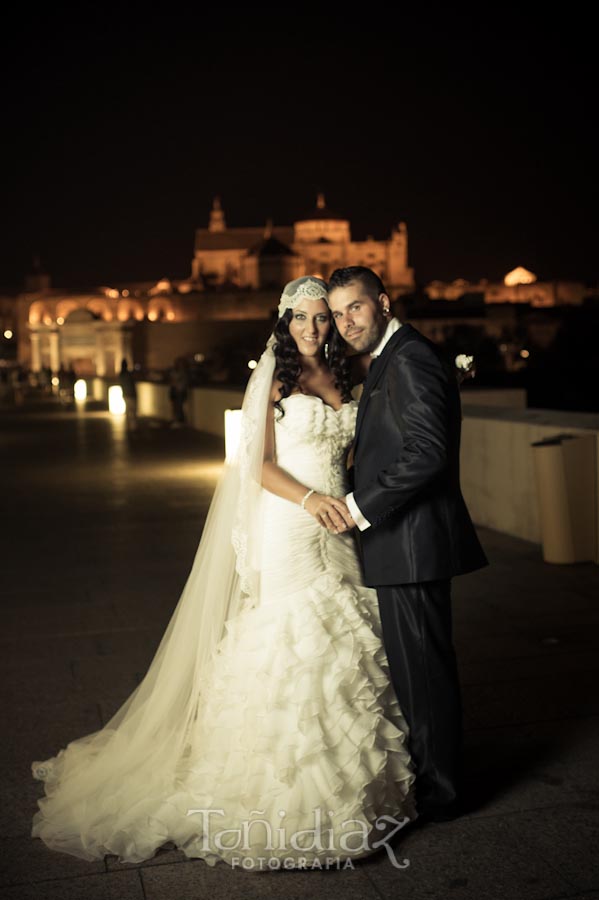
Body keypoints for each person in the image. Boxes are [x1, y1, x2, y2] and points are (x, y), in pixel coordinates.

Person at [31, 276, 417, 871]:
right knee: (295, 637)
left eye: (322, 318)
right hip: (291, 522)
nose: (313, 329)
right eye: (301, 319)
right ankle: (279, 796)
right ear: (283, 322)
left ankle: (355, 795)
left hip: (339, 525)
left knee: (344, 635)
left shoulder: (348, 376)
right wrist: (312, 499)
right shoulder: (274, 379)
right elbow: (256, 464)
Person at [327, 266, 490, 825]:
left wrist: (356, 508)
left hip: (412, 543)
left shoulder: (411, 357)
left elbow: (426, 454)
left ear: (384, 303)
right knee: (418, 671)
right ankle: (434, 777)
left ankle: (442, 793)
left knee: (423, 671)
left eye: (357, 307)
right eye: (340, 311)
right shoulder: (391, 357)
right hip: (405, 543)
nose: (347, 321)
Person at [118, 358, 138, 432]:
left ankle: (128, 427)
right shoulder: (129, 374)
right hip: (131, 394)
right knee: (133, 412)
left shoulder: (121, 374)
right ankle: (133, 428)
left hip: (125, 394)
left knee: (128, 411)